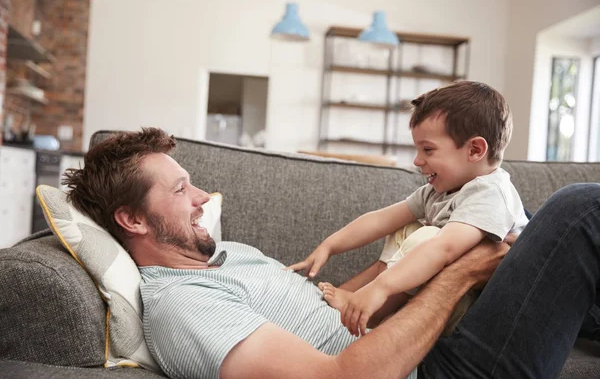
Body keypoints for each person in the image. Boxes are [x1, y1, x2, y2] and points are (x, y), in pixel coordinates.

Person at [63, 127, 600, 379]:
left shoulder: (230, 255)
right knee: (578, 210)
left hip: (426, 347)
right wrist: (457, 277)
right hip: (443, 373)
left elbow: (355, 320)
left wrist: (405, 278)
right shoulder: (184, 305)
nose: (203, 197)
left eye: (191, 183)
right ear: (132, 220)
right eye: (180, 191)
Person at [289, 81, 528, 337]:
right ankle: (347, 301)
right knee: (407, 228)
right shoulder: (438, 191)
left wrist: (381, 288)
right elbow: (382, 219)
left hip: (477, 310)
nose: (417, 160)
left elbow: (444, 249)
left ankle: (371, 310)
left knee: (428, 238)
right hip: (443, 297)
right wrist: (330, 245)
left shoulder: (490, 193)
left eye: (428, 149)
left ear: (475, 150)